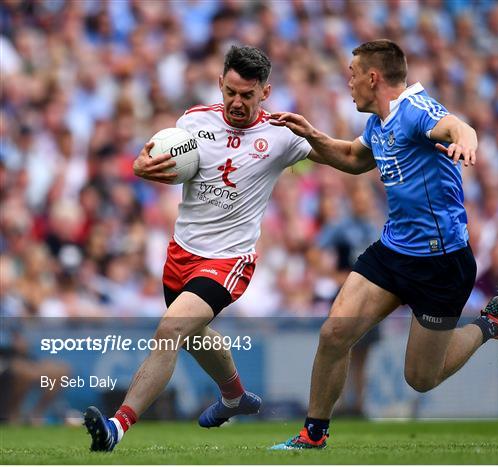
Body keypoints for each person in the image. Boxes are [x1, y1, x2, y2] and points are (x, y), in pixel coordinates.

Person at [82, 45, 349, 452]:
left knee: (171, 329)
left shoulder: (282, 135)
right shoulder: (192, 121)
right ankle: (235, 397)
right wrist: (139, 166)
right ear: (220, 84)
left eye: (247, 95)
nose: (237, 102)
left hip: (229, 259)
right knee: (194, 335)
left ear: (265, 92)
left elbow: (347, 158)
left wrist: (319, 135)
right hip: (181, 253)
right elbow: (153, 161)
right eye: (231, 92)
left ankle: (117, 427)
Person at [268, 39, 498, 450]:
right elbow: (354, 158)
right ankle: (312, 435)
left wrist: (468, 143)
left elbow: (458, 127)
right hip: (393, 252)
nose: (348, 83)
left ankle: (491, 322)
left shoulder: (416, 111)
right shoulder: (378, 122)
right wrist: (309, 136)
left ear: (373, 78)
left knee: (421, 378)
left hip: (441, 264)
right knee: (335, 333)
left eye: (352, 75)